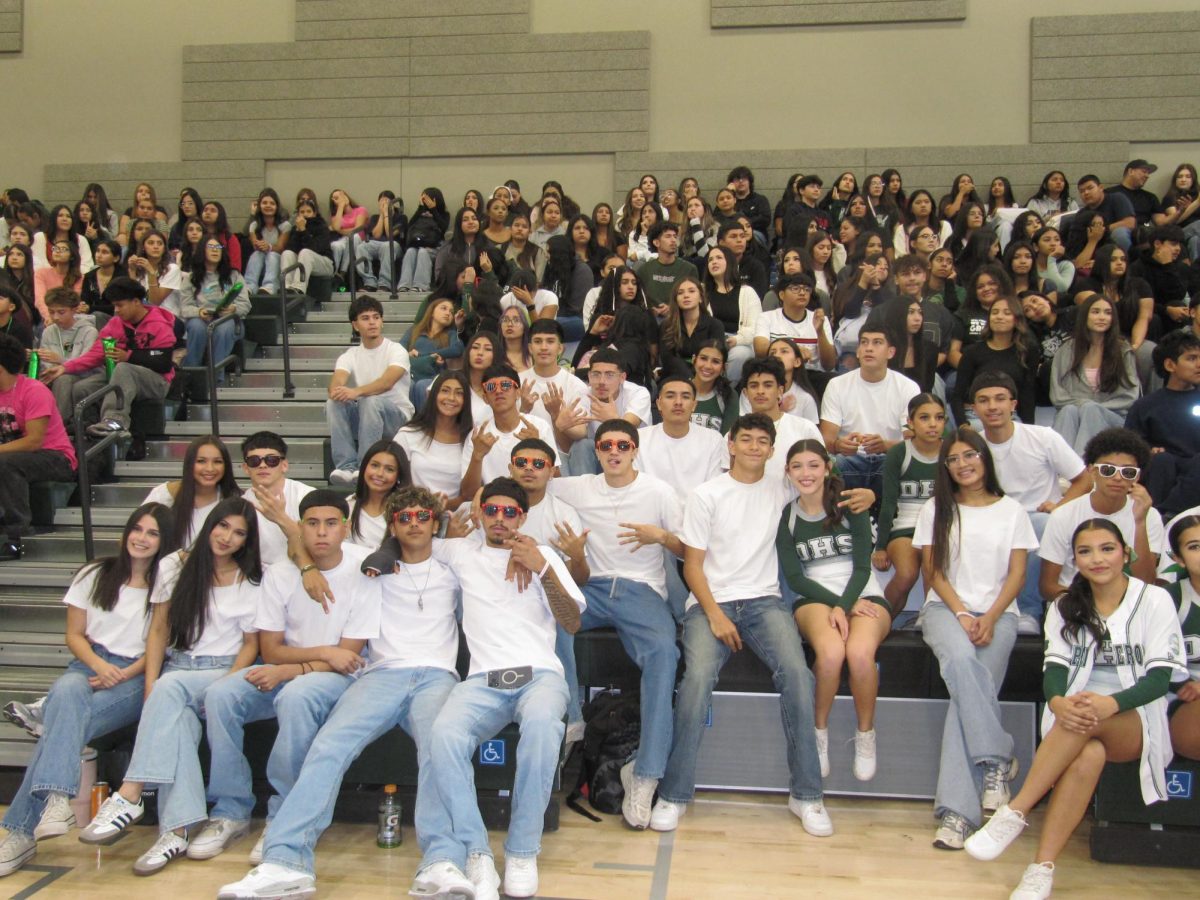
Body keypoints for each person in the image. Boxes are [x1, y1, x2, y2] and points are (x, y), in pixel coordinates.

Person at [217, 487, 461, 900]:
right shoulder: (370, 568)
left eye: (423, 516)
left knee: (438, 747)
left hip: (437, 675)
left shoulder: (456, 563)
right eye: (405, 517)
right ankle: (285, 862)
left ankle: (441, 861)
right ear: (392, 526)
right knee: (328, 746)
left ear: (435, 523)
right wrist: (305, 562)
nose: (415, 523)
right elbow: (312, 545)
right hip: (380, 675)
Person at [964, 519, 1186, 900]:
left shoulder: (1154, 599)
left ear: (1125, 553)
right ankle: (1041, 868)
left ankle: (1016, 811)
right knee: (1088, 754)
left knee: (1088, 720)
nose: (1097, 559)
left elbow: (1159, 680)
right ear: (1075, 560)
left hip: (1134, 718)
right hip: (1075, 721)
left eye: (1107, 548)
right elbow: (1055, 668)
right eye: (1085, 551)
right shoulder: (1066, 605)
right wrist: (1058, 701)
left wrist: (1110, 703)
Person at [650, 413, 832, 837]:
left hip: (765, 601)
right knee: (695, 680)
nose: (753, 446)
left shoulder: (782, 488)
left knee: (800, 678)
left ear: (772, 451)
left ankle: (807, 794)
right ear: (730, 444)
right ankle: (674, 794)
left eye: (762, 441)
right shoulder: (706, 494)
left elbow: (821, 483)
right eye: (745, 439)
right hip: (710, 602)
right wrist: (713, 613)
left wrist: (860, 494)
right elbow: (691, 567)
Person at [412, 477, 584, 900]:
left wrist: (541, 567)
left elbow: (572, 622)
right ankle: (476, 852)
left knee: (544, 728)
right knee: (444, 735)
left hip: (539, 674)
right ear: (480, 512)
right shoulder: (459, 550)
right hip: (482, 679)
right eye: (492, 510)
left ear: (523, 517)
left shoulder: (544, 555)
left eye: (510, 512)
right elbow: (406, 542)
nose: (500, 519)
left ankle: (523, 851)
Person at [78, 499, 262, 875]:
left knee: (171, 688)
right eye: (222, 526)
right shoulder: (173, 567)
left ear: (247, 541)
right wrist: (150, 687)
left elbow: (250, 646)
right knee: (176, 723)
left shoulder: (251, 580)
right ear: (209, 525)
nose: (228, 537)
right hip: (178, 668)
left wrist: (223, 687)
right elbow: (159, 630)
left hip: (224, 671)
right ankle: (178, 829)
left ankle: (130, 792)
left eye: (239, 533)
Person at [198, 491, 380, 864]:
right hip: (294, 667)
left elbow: (348, 656)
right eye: (312, 523)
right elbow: (272, 648)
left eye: (331, 523)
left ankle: (283, 816)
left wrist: (295, 669)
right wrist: (313, 656)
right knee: (221, 695)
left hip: (339, 678)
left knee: (295, 697)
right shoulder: (282, 573)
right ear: (300, 528)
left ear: (345, 528)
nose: (322, 532)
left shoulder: (364, 569)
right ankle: (231, 809)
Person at [0, 504, 174, 879]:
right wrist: (99, 666)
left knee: (60, 725)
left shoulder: (167, 584)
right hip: (88, 665)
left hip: (134, 674)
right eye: (138, 529)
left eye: (153, 533)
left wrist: (120, 672)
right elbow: (74, 635)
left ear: (164, 542)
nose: (141, 538)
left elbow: (159, 647)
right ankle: (55, 801)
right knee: (67, 689)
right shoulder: (95, 572)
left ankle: (20, 830)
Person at [546, 419, 685, 830]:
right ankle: (573, 718)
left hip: (640, 591)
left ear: (635, 450)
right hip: (591, 587)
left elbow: (687, 546)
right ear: (599, 449)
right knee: (551, 616)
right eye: (606, 445)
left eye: (622, 445)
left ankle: (645, 774)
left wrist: (660, 536)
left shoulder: (658, 491)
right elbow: (528, 484)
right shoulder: (581, 486)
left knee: (664, 654)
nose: (613, 451)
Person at [912, 426, 1037, 851]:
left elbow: (1018, 574)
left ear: (985, 459)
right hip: (946, 609)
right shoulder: (935, 508)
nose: (963, 464)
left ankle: (955, 816)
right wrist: (964, 612)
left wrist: (993, 614)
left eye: (971, 456)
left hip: (1000, 614)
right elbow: (934, 572)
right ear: (945, 467)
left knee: (964, 699)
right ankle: (998, 756)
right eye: (954, 459)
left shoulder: (1013, 511)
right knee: (964, 665)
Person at [781, 438, 890, 782]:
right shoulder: (787, 516)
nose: (806, 473)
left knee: (859, 654)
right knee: (830, 654)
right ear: (787, 472)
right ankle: (819, 732)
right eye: (797, 466)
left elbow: (861, 568)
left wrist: (846, 605)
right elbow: (796, 578)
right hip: (814, 595)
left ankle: (865, 735)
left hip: (863, 591)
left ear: (828, 467)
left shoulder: (851, 506)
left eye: (813, 464)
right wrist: (837, 605)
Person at [970, 371, 1089, 622]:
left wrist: (1060, 505)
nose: (992, 406)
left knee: (1042, 526)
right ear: (974, 408)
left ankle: (1029, 611)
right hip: (993, 516)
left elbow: (1084, 479)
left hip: (1038, 516)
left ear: (1013, 404)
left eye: (1000, 399)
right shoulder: (972, 447)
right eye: (984, 400)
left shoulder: (1043, 437)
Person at [1038, 428, 1164, 601]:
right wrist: (1091, 606)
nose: (1118, 478)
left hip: (1129, 604)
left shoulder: (1149, 515)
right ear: (1091, 471)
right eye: (1107, 470)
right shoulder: (1064, 515)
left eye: (1128, 472)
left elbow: (1146, 583)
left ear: (1137, 477)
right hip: (1074, 602)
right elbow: (1048, 587)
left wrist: (1140, 522)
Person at [0, 333, 77, 559]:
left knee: (6, 463)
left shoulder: (33, 390)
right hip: (14, 456)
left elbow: (34, 441)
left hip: (56, 457)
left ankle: (18, 537)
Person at [820, 325, 920, 496]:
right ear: (858, 351)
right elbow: (826, 439)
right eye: (864, 343)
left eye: (877, 343)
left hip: (889, 459)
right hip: (848, 460)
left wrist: (886, 446)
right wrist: (839, 445)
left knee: (901, 465)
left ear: (891, 352)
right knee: (830, 465)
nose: (869, 348)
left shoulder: (908, 388)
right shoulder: (837, 385)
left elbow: (915, 443)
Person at [872, 394, 946, 615]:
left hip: (940, 526)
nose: (933, 424)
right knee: (905, 574)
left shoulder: (952, 452)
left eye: (939, 417)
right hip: (905, 526)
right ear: (911, 423)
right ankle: (878, 622)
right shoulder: (899, 452)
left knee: (933, 569)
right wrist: (881, 546)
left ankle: (929, 619)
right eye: (924, 417)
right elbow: (888, 502)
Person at [326, 297, 413, 484]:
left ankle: (365, 465)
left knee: (369, 399)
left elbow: (386, 383)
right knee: (333, 403)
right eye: (365, 318)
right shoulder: (350, 355)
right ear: (355, 325)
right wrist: (338, 392)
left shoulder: (396, 350)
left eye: (376, 317)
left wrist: (355, 392)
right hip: (367, 417)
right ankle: (346, 467)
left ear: (382, 321)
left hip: (397, 418)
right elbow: (336, 383)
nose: (372, 322)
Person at [1050, 294, 1140, 455]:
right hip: (1074, 415)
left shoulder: (1123, 351)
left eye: (1107, 313)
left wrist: (1091, 407)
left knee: (1090, 409)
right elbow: (1058, 395)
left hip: (1113, 418)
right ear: (1085, 316)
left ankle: (1082, 470)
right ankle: (1059, 470)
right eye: (1096, 312)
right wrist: (1083, 406)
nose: (1102, 317)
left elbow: (1130, 396)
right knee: (1067, 411)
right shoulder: (1067, 350)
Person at [1126, 331, 1200, 517]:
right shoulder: (1145, 406)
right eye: (1191, 358)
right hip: (1165, 468)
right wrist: (1148, 451)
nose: (1199, 364)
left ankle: (1170, 514)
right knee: (1161, 461)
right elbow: (1130, 449)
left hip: (1196, 467)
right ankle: (1157, 519)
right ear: (1170, 365)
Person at [461, 363, 557, 498]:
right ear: (485, 398)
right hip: (493, 507)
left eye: (506, 385)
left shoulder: (540, 426)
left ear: (518, 392)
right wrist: (477, 456)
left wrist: (537, 446)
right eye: (491, 387)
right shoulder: (477, 437)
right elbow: (468, 495)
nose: (498, 391)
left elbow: (556, 478)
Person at [143, 435, 242, 551]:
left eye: (217, 461)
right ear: (189, 463)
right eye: (201, 461)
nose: (210, 468)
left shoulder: (236, 501)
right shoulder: (166, 494)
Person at [239, 432, 315, 567]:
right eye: (254, 461)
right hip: (261, 578)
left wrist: (280, 517)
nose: (262, 465)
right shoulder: (240, 506)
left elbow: (320, 544)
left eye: (271, 460)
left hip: (306, 570)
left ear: (284, 465)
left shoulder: (307, 496)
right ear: (246, 468)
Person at [179, 237, 250, 378]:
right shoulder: (191, 278)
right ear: (201, 251)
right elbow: (185, 307)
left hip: (229, 320)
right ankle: (191, 376)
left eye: (218, 248)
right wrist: (199, 311)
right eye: (210, 247)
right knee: (196, 327)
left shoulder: (234, 275)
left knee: (222, 329)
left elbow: (246, 304)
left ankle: (215, 378)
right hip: (201, 318)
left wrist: (233, 308)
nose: (215, 251)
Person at [1163, 515, 1200, 761]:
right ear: (1178, 559)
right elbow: (1153, 660)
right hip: (1182, 699)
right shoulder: (1169, 599)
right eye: (1194, 546)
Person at [37, 286, 99, 427]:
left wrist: (61, 361)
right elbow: (45, 360)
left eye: (61, 312)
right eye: (51, 312)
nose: (55, 317)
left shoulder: (89, 331)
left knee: (63, 379)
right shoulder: (49, 331)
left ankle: (58, 424)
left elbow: (87, 363)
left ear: (74, 309)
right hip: (53, 373)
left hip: (85, 375)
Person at [754, 272, 835, 374]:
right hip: (777, 372)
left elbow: (829, 365)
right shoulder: (767, 317)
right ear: (782, 295)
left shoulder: (820, 319)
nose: (802, 293)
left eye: (806, 289)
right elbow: (760, 350)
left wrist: (820, 332)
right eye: (795, 288)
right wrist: (794, 351)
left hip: (811, 373)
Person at [344, 440, 411, 549]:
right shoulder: (348, 506)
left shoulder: (407, 512)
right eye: (375, 465)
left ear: (399, 476)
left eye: (389, 469)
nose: (380, 474)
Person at [630, 222, 697, 315]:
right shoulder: (644, 270)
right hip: (650, 318)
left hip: (679, 317)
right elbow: (638, 299)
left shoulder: (689, 269)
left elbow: (695, 298)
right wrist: (650, 310)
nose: (673, 240)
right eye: (668, 236)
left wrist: (674, 308)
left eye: (675, 236)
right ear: (656, 242)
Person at [281, 199, 335, 297]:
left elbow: (315, 248)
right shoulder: (295, 228)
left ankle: (299, 288)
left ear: (314, 213)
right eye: (302, 212)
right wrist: (298, 231)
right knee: (287, 253)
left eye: (308, 211)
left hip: (324, 263)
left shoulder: (322, 226)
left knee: (305, 252)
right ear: (298, 214)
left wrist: (303, 230)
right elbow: (291, 248)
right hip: (304, 262)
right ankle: (286, 287)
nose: (305, 214)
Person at [1070, 174, 1136, 252]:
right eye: (1082, 191)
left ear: (1101, 188)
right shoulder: (1081, 214)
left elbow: (1130, 223)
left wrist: (1101, 230)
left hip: (1117, 243)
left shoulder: (1117, 198)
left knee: (1119, 233)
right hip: (1094, 247)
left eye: (1090, 188)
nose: (1086, 193)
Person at [243, 189, 291, 295]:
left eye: (272, 203)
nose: (268, 206)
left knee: (272, 254)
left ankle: (270, 286)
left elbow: (280, 247)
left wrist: (268, 246)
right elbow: (255, 246)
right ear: (259, 206)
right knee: (257, 253)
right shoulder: (254, 225)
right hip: (260, 262)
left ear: (277, 206)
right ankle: (250, 286)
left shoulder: (285, 225)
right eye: (264, 203)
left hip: (277, 263)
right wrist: (260, 246)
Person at [727, 166, 771, 246]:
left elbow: (765, 219)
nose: (740, 181)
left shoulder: (760, 199)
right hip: (732, 234)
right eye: (737, 179)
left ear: (750, 182)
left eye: (744, 178)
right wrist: (728, 193)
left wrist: (744, 224)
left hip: (756, 233)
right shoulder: (727, 201)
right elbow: (718, 217)